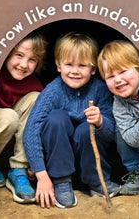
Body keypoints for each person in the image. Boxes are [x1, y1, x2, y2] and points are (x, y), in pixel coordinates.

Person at [23, 32, 120, 209]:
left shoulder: (100, 89)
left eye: (82, 65)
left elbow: (113, 133)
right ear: (58, 66)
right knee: (56, 118)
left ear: (93, 69)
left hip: (90, 165)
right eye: (69, 64)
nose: (75, 71)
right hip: (58, 166)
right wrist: (42, 176)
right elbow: (31, 131)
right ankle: (62, 182)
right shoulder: (53, 91)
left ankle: (97, 182)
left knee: (86, 128)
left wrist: (100, 121)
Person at [97, 40, 139, 195]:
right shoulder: (118, 104)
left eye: (122, 72)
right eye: (110, 76)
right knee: (120, 132)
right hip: (138, 141)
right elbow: (131, 139)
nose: (117, 80)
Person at [0, 32, 47, 204]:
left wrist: (35, 161)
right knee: (9, 117)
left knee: (37, 100)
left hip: (9, 149)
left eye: (32, 60)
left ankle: (18, 170)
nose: (24, 64)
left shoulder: (34, 85)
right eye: (19, 55)